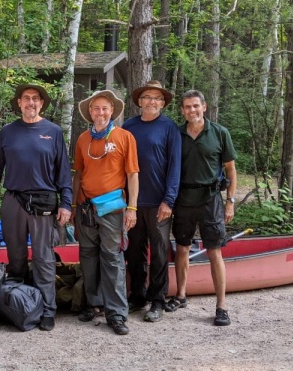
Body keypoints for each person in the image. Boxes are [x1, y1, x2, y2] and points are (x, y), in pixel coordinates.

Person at [0, 84, 72, 332]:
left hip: (44, 201)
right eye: (26, 99)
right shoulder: (8, 132)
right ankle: (19, 305)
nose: (31, 103)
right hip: (13, 200)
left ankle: (47, 309)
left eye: (35, 99)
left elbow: (64, 171)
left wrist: (66, 202)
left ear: (41, 103)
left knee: (44, 257)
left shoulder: (53, 132)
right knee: (16, 256)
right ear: (19, 103)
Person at [72, 90, 138, 335]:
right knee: (88, 256)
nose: (100, 113)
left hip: (112, 207)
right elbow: (78, 174)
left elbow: (132, 174)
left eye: (104, 109)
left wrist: (132, 207)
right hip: (86, 207)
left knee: (112, 258)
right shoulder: (82, 139)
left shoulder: (124, 137)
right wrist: (73, 205)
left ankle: (117, 313)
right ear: (90, 112)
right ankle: (94, 303)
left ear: (112, 111)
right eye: (96, 109)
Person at [169, 89, 237, 326]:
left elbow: (230, 169)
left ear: (204, 107)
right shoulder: (176, 134)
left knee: (214, 251)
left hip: (211, 199)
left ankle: (221, 306)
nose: (192, 110)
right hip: (183, 199)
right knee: (182, 249)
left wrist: (230, 202)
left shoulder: (219, 133)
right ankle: (180, 295)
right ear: (182, 110)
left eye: (196, 106)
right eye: (187, 107)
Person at [122, 81, 181, 322]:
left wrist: (169, 200)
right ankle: (137, 295)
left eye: (157, 98)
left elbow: (175, 166)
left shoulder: (170, 128)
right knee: (134, 251)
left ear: (163, 103)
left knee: (158, 251)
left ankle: (157, 300)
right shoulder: (128, 127)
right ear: (139, 101)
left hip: (159, 202)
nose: (152, 102)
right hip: (134, 203)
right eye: (147, 97)